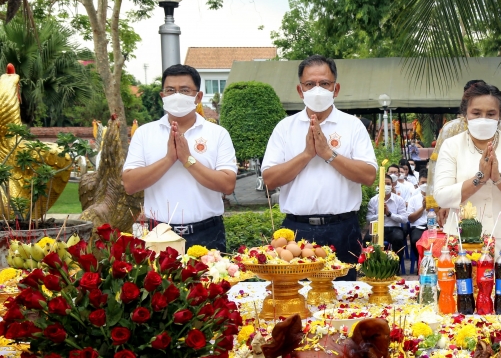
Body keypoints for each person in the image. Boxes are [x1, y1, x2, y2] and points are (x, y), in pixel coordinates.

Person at [261, 55, 377, 278]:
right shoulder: (285, 128)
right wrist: (307, 154)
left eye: (324, 83)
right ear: (300, 90)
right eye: (309, 84)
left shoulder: (353, 126)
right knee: (297, 295)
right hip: (296, 231)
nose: (317, 90)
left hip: (343, 227)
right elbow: (270, 179)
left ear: (336, 89)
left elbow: (368, 175)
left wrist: (328, 154)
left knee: (345, 294)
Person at [122, 64, 236, 251]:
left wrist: (187, 160)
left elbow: (228, 185)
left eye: (184, 90)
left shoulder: (217, 134)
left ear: (198, 97)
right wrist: (168, 159)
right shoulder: (145, 133)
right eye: (170, 90)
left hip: (207, 233)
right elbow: (129, 184)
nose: (177, 96)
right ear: (162, 96)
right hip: (159, 233)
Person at [433, 82, 501, 249]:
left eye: (490, 114)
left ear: (500, 115)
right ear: (465, 114)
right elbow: (441, 196)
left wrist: (498, 178)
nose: (483, 119)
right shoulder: (451, 145)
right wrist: (479, 178)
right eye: (476, 113)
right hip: (461, 242)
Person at [366, 174, 409, 254]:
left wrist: (389, 214)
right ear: (378, 186)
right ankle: (372, 261)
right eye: (383, 184)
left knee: (398, 239)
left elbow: (404, 219)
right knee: (367, 239)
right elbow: (368, 219)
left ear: (392, 185)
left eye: (388, 184)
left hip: (394, 228)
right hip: (377, 228)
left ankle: (396, 261)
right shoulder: (373, 200)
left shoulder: (399, 200)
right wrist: (381, 214)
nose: (385, 186)